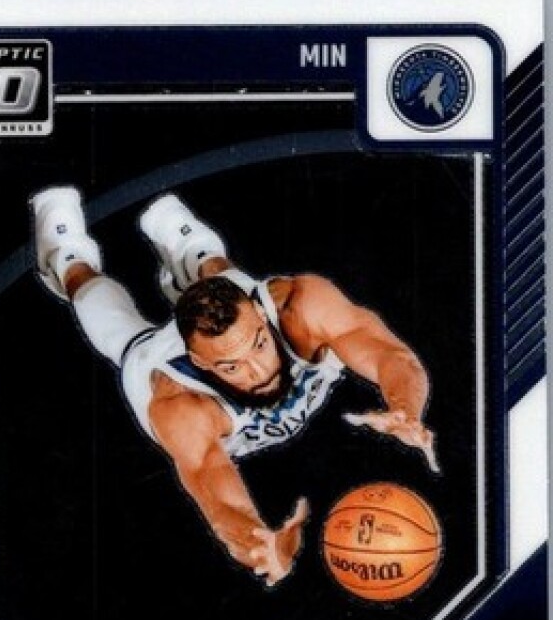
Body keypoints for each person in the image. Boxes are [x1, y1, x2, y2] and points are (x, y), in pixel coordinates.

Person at [32, 187, 437, 587]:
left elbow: (393, 357)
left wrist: (405, 408)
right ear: (201, 362)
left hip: (235, 309)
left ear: (262, 313)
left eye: (259, 345)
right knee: (109, 322)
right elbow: (221, 504)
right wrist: (259, 544)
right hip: (151, 357)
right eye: (232, 367)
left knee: (222, 275)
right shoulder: (180, 404)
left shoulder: (301, 306)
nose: (257, 371)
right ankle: (66, 255)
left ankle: (187, 247)